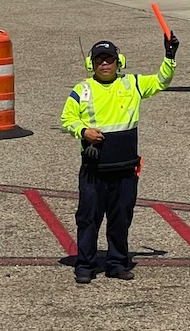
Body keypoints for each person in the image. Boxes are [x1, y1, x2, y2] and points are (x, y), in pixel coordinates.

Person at [61, 34, 178, 284]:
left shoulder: (132, 84)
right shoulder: (82, 90)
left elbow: (161, 81)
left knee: (121, 217)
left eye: (110, 59)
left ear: (119, 62)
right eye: (100, 60)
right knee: (88, 217)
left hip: (125, 168)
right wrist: (84, 132)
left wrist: (169, 56)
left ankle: (117, 262)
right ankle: (85, 264)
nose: (105, 64)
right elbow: (67, 119)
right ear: (91, 64)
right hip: (94, 169)